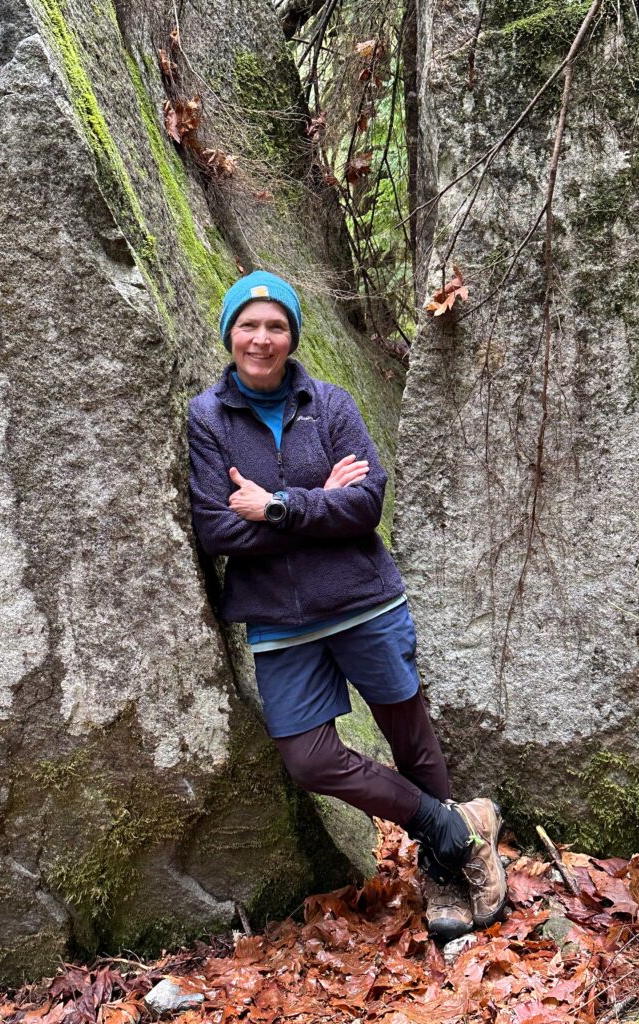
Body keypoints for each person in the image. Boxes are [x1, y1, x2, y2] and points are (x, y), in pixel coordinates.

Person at [187, 271, 507, 941]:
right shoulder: (208, 417)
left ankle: (446, 868)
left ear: (292, 336)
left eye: (276, 326)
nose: (262, 339)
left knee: (409, 736)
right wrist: (319, 500)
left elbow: (364, 505)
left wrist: (277, 505)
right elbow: (217, 529)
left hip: (364, 602)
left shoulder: (330, 405)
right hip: (279, 622)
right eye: (249, 325)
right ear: (229, 334)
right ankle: (447, 824)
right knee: (308, 757)